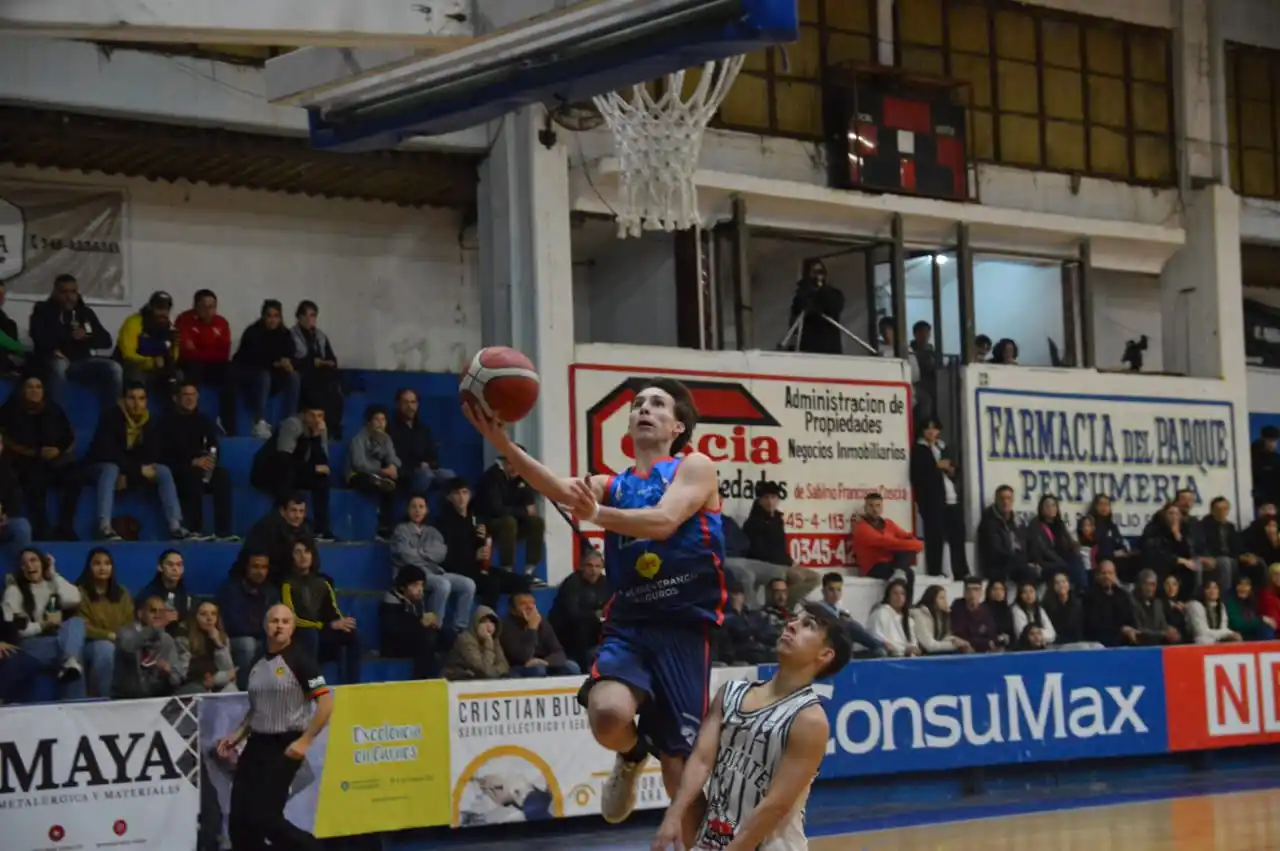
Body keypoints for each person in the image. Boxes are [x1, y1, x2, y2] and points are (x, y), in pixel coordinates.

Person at [463, 376, 725, 823]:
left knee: (681, 778)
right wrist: (501, 442)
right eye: (638, 402)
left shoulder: (694, 466)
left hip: (683, 625)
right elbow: (559, 489)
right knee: (607, 714)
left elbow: (663, 521)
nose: (644, 408)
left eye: (658, 404)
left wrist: (596, 515)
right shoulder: (612, 483)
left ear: (677, 427)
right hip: (631, 623)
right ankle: (630, 754)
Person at [653, 605, 852, 851]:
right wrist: (674, 815)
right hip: (711, 841)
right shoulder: (730, 693)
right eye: (795, 619)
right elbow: (702, 760)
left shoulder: (809, 719)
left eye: (808, 625)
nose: (791, 625)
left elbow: (775, 805)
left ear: (824, 655)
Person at [216, 604, 331, 851]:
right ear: (265, 625)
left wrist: (305, 741)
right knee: (239, 819)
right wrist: (236, 737)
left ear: (292, 627)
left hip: (285, 744)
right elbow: (257, 708)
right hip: (257, 743)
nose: (279, 625)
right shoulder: (257, 661)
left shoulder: (301, 660)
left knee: (265, 818)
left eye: (285, 621)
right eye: (274, 621)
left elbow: (326, 703)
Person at [85, 381, 192, 541]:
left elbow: (152, 455)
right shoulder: (110, 418)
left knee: (162, 470)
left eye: (141, 399)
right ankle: (104, 527)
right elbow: (107, 452)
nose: (137, 404)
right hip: (98, 467)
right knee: (111, 469)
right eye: (132, 398)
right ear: (122, 400)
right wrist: (136, 471)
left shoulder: (150, 421)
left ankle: (176, 525)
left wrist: (130, 475)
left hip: (129, 471)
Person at [29, 273, 123, 409]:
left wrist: (87, 337)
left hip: (81, 363)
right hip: (54, 360)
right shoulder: (42, 310)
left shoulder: (85, 313)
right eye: (64, 292)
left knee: (114, 368)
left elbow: (106, 340)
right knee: (59, 366)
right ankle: (58, 418)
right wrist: (53, 350)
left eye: (73, 292)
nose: (69, 297)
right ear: (55, 293)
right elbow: (37, 334)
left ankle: (111, 417)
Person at [2, 549, 86, 696]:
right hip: (30, 644)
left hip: (56, 639)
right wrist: (42, 625)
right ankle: (70, 661)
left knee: (76, 623)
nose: (29, 566)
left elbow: (75, 599)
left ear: (42, 563)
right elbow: (16, 629)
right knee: (74, 655)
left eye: (33, 560)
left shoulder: (52, 584)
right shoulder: (14, 591)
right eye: (23, 563)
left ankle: (69, 662)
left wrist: (53, 573)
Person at [390, 495, 475, 639]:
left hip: (434, 571)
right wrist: (427, 555)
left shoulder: (432, 531)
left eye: (421, 507)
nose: (417, 510)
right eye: (414, 506)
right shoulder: (401, 529)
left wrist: (419, 553)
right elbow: (405, 555)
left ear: (427, 510)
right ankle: (435, 628)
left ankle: (460, 629)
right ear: (408, 510)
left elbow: (441, 553)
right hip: (412, 575)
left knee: (468, 584)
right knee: (443, 584)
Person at [250, 399, 335, 541]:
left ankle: (321, 529)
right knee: (287, 475)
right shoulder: (292, 425)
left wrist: (315, 439)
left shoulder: (321, 429)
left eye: (320, 416)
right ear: (303, 414)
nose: (316, 420)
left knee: (322, 480)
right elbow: (284, 460)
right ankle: (277, 526)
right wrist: (313, 468)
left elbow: (323, 463)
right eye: (312, 415)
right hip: (268, 471)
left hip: (296, 469)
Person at [159, 381, 234, 541]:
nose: (190, 399)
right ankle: (194, 529)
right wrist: (191, 462)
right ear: (175, 398)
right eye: (186, 395)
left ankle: (223, 532)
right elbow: (162, 454)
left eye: (193, 395)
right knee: (192, 475)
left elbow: (214, 446)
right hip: (177, 468)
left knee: (222, 476)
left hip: (202, 466)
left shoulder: (204, 420)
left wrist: (209, 462)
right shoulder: (165, 423)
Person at [281, 539, 361, 684]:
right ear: (291, 557)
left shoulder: (323, 582)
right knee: (310, 634)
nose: (303, 556)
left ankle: (351, 685)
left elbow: (333, 611)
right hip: (300, 634)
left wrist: (341, 623)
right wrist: (324, 626)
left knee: (351, 633)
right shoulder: (287, 583)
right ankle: (311, 685)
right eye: (297, 552)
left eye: (306, 551)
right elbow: (292, 619)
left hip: (321, 632)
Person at [476, 448, 546, 586]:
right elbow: (496, 510)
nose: (517, 468)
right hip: (487, 522)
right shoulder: (492, 477)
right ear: (506, 462)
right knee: (509, 522)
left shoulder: (523, 477)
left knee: (537, 522)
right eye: (513, 463)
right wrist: (523, 512)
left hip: (512, 521)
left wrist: (522, 512)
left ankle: (529, 571)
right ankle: (506, 570)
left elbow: (532, 510)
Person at [910, 418, 969, 579]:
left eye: (934, 429)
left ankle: (961, 571)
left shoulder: (944, 447)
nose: (931, 432)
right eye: (927, 429)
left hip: (951, 497)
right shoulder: (919, 449)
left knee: (957, 537)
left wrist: (950, 470)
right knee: (935, 537)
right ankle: (935, 571)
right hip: (933, 500)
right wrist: (936, 466)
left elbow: (955, 470)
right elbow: (918, 475)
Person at [233, 299, 300, 439]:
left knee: (293, 376)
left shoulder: (285, 333)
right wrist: (275, 363)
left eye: (276, 316)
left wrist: (288, 362)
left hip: (274, 375)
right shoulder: (253, 332)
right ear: (263, 316)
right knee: (264, 376)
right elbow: (250, 359)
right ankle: (258, 422)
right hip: (249, 374)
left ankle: (289, 421)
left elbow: (292, 354)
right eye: (270, 316)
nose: (273, 320)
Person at [175, 289, 237, 434]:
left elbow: (223, 353)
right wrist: (208, 350)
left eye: (213, 307)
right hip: (190, 364)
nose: (209, 311)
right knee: (193, 368)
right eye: (205, 307)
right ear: (196, 307)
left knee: (230, 371)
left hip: (214, 365)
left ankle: (228, 425)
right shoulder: (184, 319)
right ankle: (192, 422)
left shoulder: (222, 323)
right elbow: (186, 350)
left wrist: (198, 349)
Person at [75, 547, 134, 698]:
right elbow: (82, 626)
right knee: (104, 648)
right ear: (89, 567)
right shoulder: (79, 593)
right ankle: (104, 700)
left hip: (119, 641)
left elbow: (129, 623)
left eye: (107, 563)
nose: (102, 568)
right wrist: (108, 635)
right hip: (88, 644)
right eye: (97, 563)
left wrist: (120, 638)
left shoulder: (122, 593)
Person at [290, 301, 345, 440]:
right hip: (304, 374)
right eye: (307, 316)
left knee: (335, 389)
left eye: (313, 316)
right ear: (299, 317)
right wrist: (311, 362)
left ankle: (333, 428)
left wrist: (327, 362)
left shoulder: (320, 336)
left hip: (322, 374)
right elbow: (292, 360)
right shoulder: (291, 335)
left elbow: (331, 358)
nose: (310, 320)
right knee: (320, 390)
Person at [113, 595, 184, 699]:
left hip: (156, 698)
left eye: (161, 612)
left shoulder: (167, 640)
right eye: (153, 611)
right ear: (141, 613)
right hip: (125, 698)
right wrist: (152, 629)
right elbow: (128, 647)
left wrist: (167, 673)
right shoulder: (125, 633)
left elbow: (177, 677)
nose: (157, 615)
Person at [387, 388, 456, 495]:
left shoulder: (423, 429)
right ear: (398, 404)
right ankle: (416, 502)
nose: (410, 406)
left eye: (413, 402)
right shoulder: (391, 429)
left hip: (427, 470)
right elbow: (394, 456)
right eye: (405, 402)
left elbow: (432, 454)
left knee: (449, 475)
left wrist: (429, 464)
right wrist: (418, 465)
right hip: (405, 473)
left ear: (417, 404)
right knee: (425, 475)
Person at [346, 404, 400, 539]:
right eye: (377, 419)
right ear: (369, 422)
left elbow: (394, 458)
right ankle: (378, 482)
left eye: (383, 420)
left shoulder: (386, 439)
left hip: (379, 475)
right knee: (368, 479)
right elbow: (359, 464)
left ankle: (385, 528)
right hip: (356, 475)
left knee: (391, 487)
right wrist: (382, 471)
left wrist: (393, 466)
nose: (380, 423)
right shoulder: (358, 439)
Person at [380, 565, 441, 679]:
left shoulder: (416, 601)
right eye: (415, 585)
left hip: (415, 639)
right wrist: (420, 622)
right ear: (403, 587)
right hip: (395, 645)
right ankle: (421, 681)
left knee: (447, 635)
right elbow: (394, 629)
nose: (420, 589)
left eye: (422, 585)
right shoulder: (391, 600)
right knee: (426, 639)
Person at [500, 591, 579, 677]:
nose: (529, 607)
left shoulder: (542, 621)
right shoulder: (506, 625)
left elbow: (559, 652)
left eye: (532, 603)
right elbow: (522, 657)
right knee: (538, 669)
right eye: (523, 604)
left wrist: (545, 662)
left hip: (543, 662)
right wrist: (532, 628)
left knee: (572, 667)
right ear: (513, 610)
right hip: (520, 667)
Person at [114, 290, 180, 392]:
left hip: (158, 366)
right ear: (151, 308)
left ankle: (174, 406)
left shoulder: (169, 327)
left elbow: (174, 355)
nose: (163, 312)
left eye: (166, 309)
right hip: (133, 365)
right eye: (159, 308)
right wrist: (151, 362)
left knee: (178, 376)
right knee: (135, 371)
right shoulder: (134, 322)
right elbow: (128, 354)